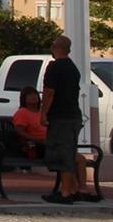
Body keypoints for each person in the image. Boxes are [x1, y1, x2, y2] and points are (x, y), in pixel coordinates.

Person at [40, 35, 98, 203]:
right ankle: (73, 189)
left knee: (63, 153)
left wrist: (43, 113)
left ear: (55, 48)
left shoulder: (55, 67)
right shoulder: (73, 68)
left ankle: (65, 192)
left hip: (60, 117)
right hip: (73, 115)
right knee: (70, 151)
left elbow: (49, 92)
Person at [12, 87, 46, 159]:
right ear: (24, 98)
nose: (33, 96)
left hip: (50, 143)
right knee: (70, 157)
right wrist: (35, 139)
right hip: (36, 145)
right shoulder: (22, 112)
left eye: (35, 94)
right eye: (29, 95)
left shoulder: (42, 112)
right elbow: (19, 132)